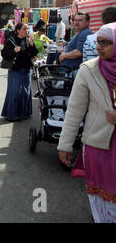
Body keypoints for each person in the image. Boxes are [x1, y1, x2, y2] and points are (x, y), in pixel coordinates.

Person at [58, 22, 116, 223]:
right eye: (98, 42)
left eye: (106, 43)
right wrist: (65, 144)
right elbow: (74, 110)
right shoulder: (89, 70)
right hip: (98, 146)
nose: (99, 47)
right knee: (103, 205)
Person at [1, 22, 38, 121]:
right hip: (15, 70)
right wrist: (14, 51)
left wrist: (31, 44)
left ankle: (24, 114)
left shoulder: (28, 40)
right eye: (24, 29)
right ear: (18, 30)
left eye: (27, 29)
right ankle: (12, 115)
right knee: (15, 93)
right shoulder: (11, 40)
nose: (27, 31)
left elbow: (34, 53)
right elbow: (4, 54)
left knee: (26, 93)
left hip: (27, 69)